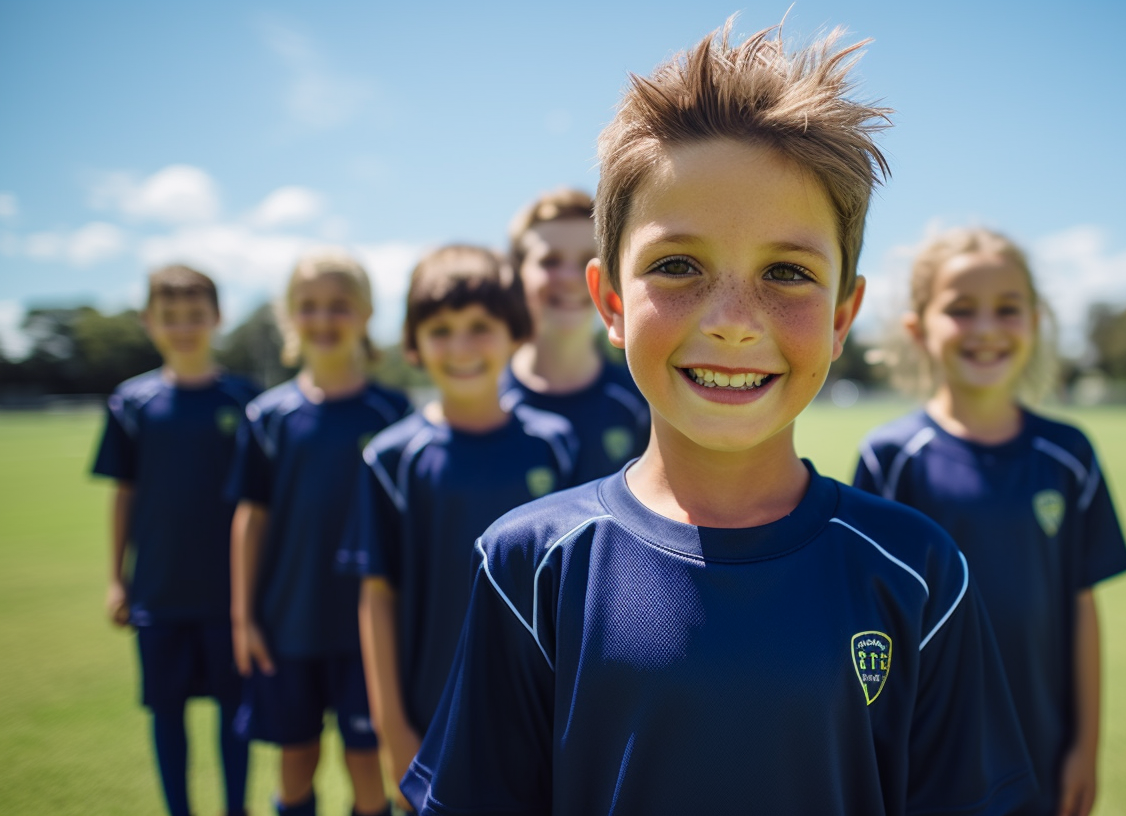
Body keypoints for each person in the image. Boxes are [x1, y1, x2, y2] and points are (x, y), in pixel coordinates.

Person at [402, 21, 1037, 816]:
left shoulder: (917, 574)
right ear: (609, 301)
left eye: (786, 272)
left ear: (843, 317)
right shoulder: (528, 565)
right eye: (678, 266)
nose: (734, 321)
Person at [853, 227, 1126, 816]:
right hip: (925, 758)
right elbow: (868, 627)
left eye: (1008, 309)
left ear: (1036, 320)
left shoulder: (1068, 455)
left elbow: (1082, 607)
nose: (985, 329)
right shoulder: (891, 458)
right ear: (918, 329)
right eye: (960, 310)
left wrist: (1086, 746)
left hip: (1043, 748)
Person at [346, 245, 578, 808]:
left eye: (479, 327)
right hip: (431, 718)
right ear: (414, 344)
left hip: (538, 714)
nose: (461, 346)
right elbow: (376, 596)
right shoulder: (391, 457)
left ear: (514, 332)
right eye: (441, 330)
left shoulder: (555, 442)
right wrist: (393, 729)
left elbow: (575, 589)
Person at [228, 249, 410, 816]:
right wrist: (244, 618)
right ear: (290, 317)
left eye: (339, 305)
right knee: (296, 760)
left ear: (365, 314)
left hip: (369, 631)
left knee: (365, 768)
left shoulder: (393, 412)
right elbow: (250, 518)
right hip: (288, 626)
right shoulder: (268, 417)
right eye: (308, 306)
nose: (324, 318)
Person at [90, 264, 258, 816]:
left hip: (229, 599)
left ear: (217, 318)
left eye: (195, 315)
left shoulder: (247, 401)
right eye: (170, 317)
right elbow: (124, 495)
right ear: (148, 322)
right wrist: (117, 578)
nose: (184, 327)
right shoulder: (130, 403)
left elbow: (262, 507)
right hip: (158, 594)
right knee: (167, 715)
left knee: (236, 716)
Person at [500, 188, 649, 483]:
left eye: (588, 259)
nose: (570, 277)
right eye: (550, 261)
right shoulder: (486, 402)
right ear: (517, 273)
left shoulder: (643, 401)